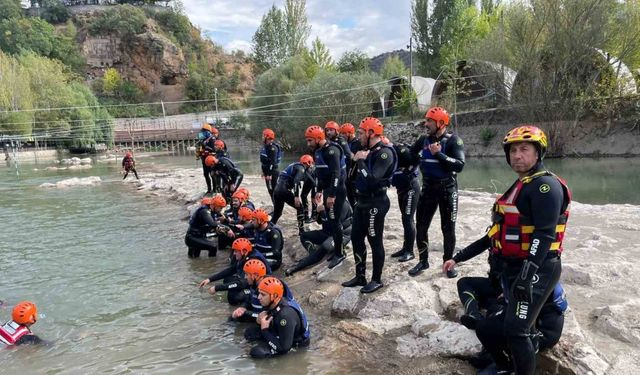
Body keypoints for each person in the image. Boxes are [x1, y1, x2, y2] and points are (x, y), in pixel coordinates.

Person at [443, 125, 571, 375]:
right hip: (514, 270)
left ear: (538, 153)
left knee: (517, 330)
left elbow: (544, 235)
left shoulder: (546, 186)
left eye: (524, 149)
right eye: (513, 150)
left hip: (539, 268)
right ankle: (504, 367)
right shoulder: (522, 184)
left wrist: (526, 274)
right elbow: (492, 236)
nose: (517, 155)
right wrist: (457, 258)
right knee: (487, 328)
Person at [408, 107, 465, 278]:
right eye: (426, 121)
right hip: (428, 188)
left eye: (429, 121)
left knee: (448, 229)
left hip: (447, 189)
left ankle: (448, 263)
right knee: (421, 226)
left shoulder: (454, 141)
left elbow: (459, 165)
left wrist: (439, 154)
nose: (426, 124)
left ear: (441, 123)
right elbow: (411, 153)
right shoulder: (423, 139)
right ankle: (423, 260)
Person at [342, 117, 396, 294]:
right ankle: (360, 276)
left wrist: (360, 161)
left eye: (360, 132)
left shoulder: (384, 153)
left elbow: (373, 180)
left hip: (376, 202)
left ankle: (377, 279)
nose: (358, 136)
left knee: (374, 240)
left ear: (370, 133)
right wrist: (356, 160)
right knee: (357, 238)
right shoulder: (366, 150)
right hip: (362, 201)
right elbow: (352, 177)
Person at [474, 283, 568, 375]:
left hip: (543, 332)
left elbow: (522, 319)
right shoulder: (544, 279)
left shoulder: (536, 285)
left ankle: (505, 367)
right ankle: (501, 362)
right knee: (494, 313)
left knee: (484, 328)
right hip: (542, 322)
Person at [304, 125, 348, 269]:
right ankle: (336, 249)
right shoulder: (318, 151)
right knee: (331, 220)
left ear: (318, 138)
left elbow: (337, 174)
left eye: (310, 140)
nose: (308, 144)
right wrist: (319, 190)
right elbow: (321, 173)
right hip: (328, 189)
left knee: (335, 222)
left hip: (337, 190)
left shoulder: (332, 150)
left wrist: (332, 195)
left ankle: (340, 253)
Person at [285, 194, 353, 276]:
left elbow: (337, 227)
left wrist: (326, 211)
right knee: (304, 236)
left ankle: (297, 266)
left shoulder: (343, 205)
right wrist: (318, 211)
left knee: (325, 247)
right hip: (327, 232)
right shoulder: (326, 203)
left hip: (341, 234)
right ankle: (312, 254)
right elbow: (320, 222)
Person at [243, 277, 310, 359]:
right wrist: (259, 320)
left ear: (274, 296)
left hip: (293, 344)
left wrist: (264, 330)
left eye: (263, 294)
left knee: (257, 352)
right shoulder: (274, 302)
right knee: (249, 333)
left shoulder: (285, 315)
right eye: (259, 293)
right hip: (282, 331)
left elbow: (284, 348)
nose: (259, 297)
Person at [199, 238, 271, 305]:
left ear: (244, 251)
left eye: (236, 251)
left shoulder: (253, 260)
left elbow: (242, 283)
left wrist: (217, 288)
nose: (234, 253)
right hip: (250, 282)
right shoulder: (245, 256)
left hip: (257, 287)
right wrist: (210, 279)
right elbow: (231, 270)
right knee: (228, 280)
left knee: (233, 297)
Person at [389, 142, 420, 263]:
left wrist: (409, 171)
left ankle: (410, 251)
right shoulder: (385, 152)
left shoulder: (400, 150)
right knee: (404, 218)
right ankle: (405, 247)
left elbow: (418, 158)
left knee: (408, 219)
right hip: (401, 189)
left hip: (410, 188)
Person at [271, 155, 315, 233]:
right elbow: (296, 181)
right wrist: (296, 196)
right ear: (309, 163)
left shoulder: (296, 165)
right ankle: (302, 232)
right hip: (284, 190)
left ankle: (268, 229)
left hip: (277, 190)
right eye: (311, 164)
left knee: (277, 213)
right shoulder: (301, 168)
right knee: (300, 208)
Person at [340, 122, 360, 207]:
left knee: (357, 199)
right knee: (350, 198)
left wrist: (350, 154)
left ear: (349, 133)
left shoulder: (359, 143)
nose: (342, 136)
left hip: (356, 175)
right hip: (347, 175)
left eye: (343, 133)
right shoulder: (345, 143)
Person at [260, 129, 283, 203]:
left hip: (272, 172)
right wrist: (264, 172)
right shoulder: (266, 146)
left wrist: (269, 174)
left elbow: (272, 162)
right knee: (270, 190)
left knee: (273, 190)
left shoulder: (272, 148)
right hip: (268, 172)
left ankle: (277, 207)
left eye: (263, 136)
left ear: (267, 137)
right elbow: (264, 161)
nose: (262, 137)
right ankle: (275, 206)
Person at [196, 124, 217, 194]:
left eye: (204, 131)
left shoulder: (212, 139)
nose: (202, 132)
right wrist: (198, 154)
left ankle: (215, 189)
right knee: (205, 174)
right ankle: (209, 189)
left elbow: (214, 150)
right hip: (204, 159)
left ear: (208, 132)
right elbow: (199, 148)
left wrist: (206, 147)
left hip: (211, 159)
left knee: (212, 174)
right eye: (202, 131)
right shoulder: (201, 140)